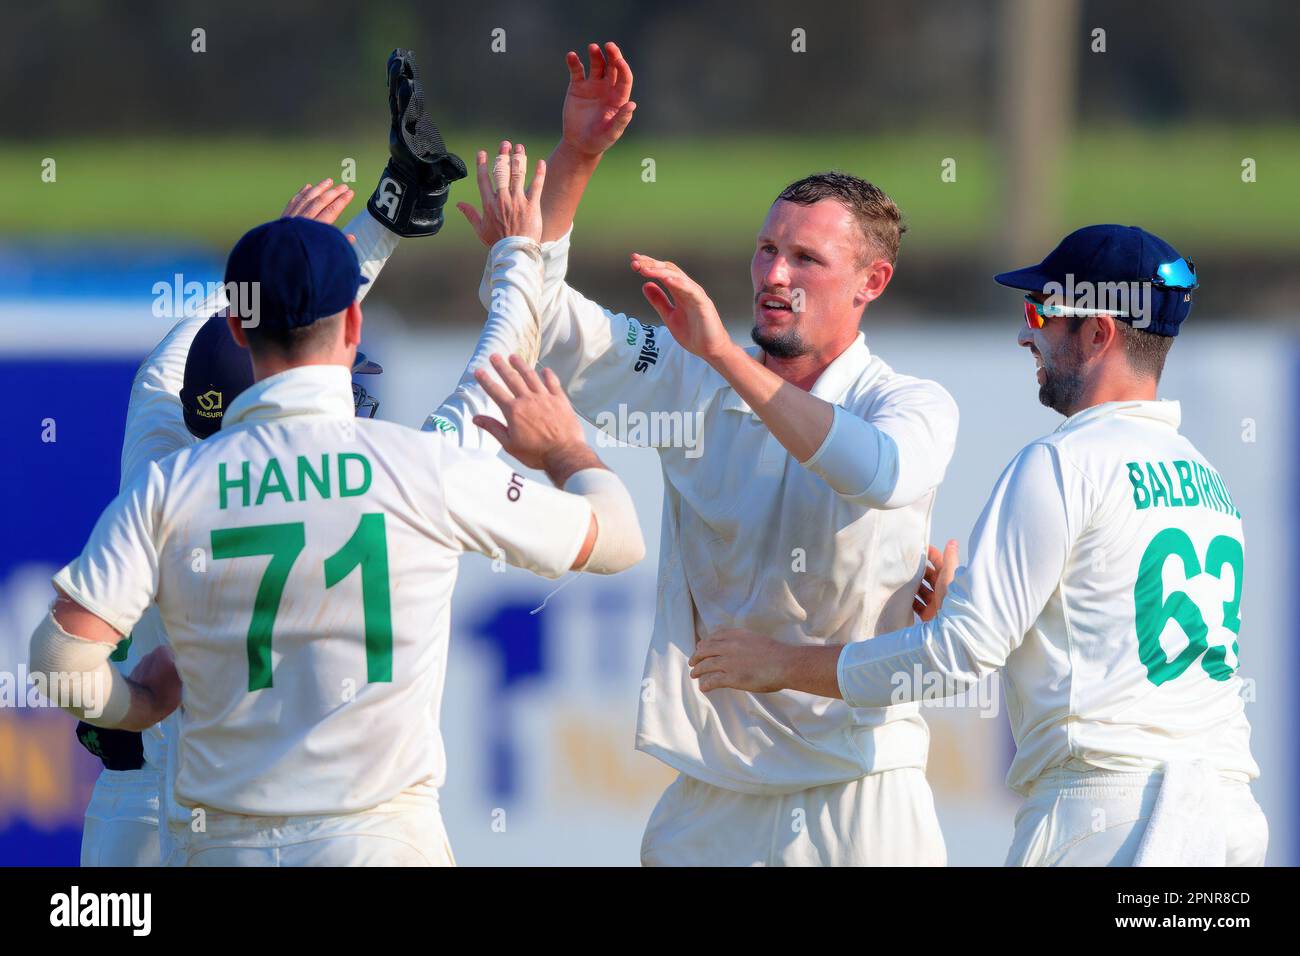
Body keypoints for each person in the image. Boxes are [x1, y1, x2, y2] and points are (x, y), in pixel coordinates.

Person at [34, 148, 645, 866]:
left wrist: (137, 705)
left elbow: (60, 660)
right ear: (354, 327)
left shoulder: (168, 479)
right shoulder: (417, 469)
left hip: (206, 838)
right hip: (378, 841)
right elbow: (613, 532)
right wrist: (567, 444)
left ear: (238, 327)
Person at [454, 42, 959, 866]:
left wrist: (726, 358)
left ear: (873, 282)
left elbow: (880, 473)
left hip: (862, 790)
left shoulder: (906, 402)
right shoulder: (688, 375)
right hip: (712, 794)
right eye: (767, 250)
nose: (776, 274)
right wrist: (578, 157)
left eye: (807, 259)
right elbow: (535, 316)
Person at [688, 225, 1268, 867]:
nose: (1026, 334)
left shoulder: (1063, 462)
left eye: (1042, 311)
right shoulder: (1209, 482)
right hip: (1225, 821)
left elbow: (957, 656)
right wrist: (963, 611)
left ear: (1099, 332)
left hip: (1110, 819)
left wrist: (780, 665)